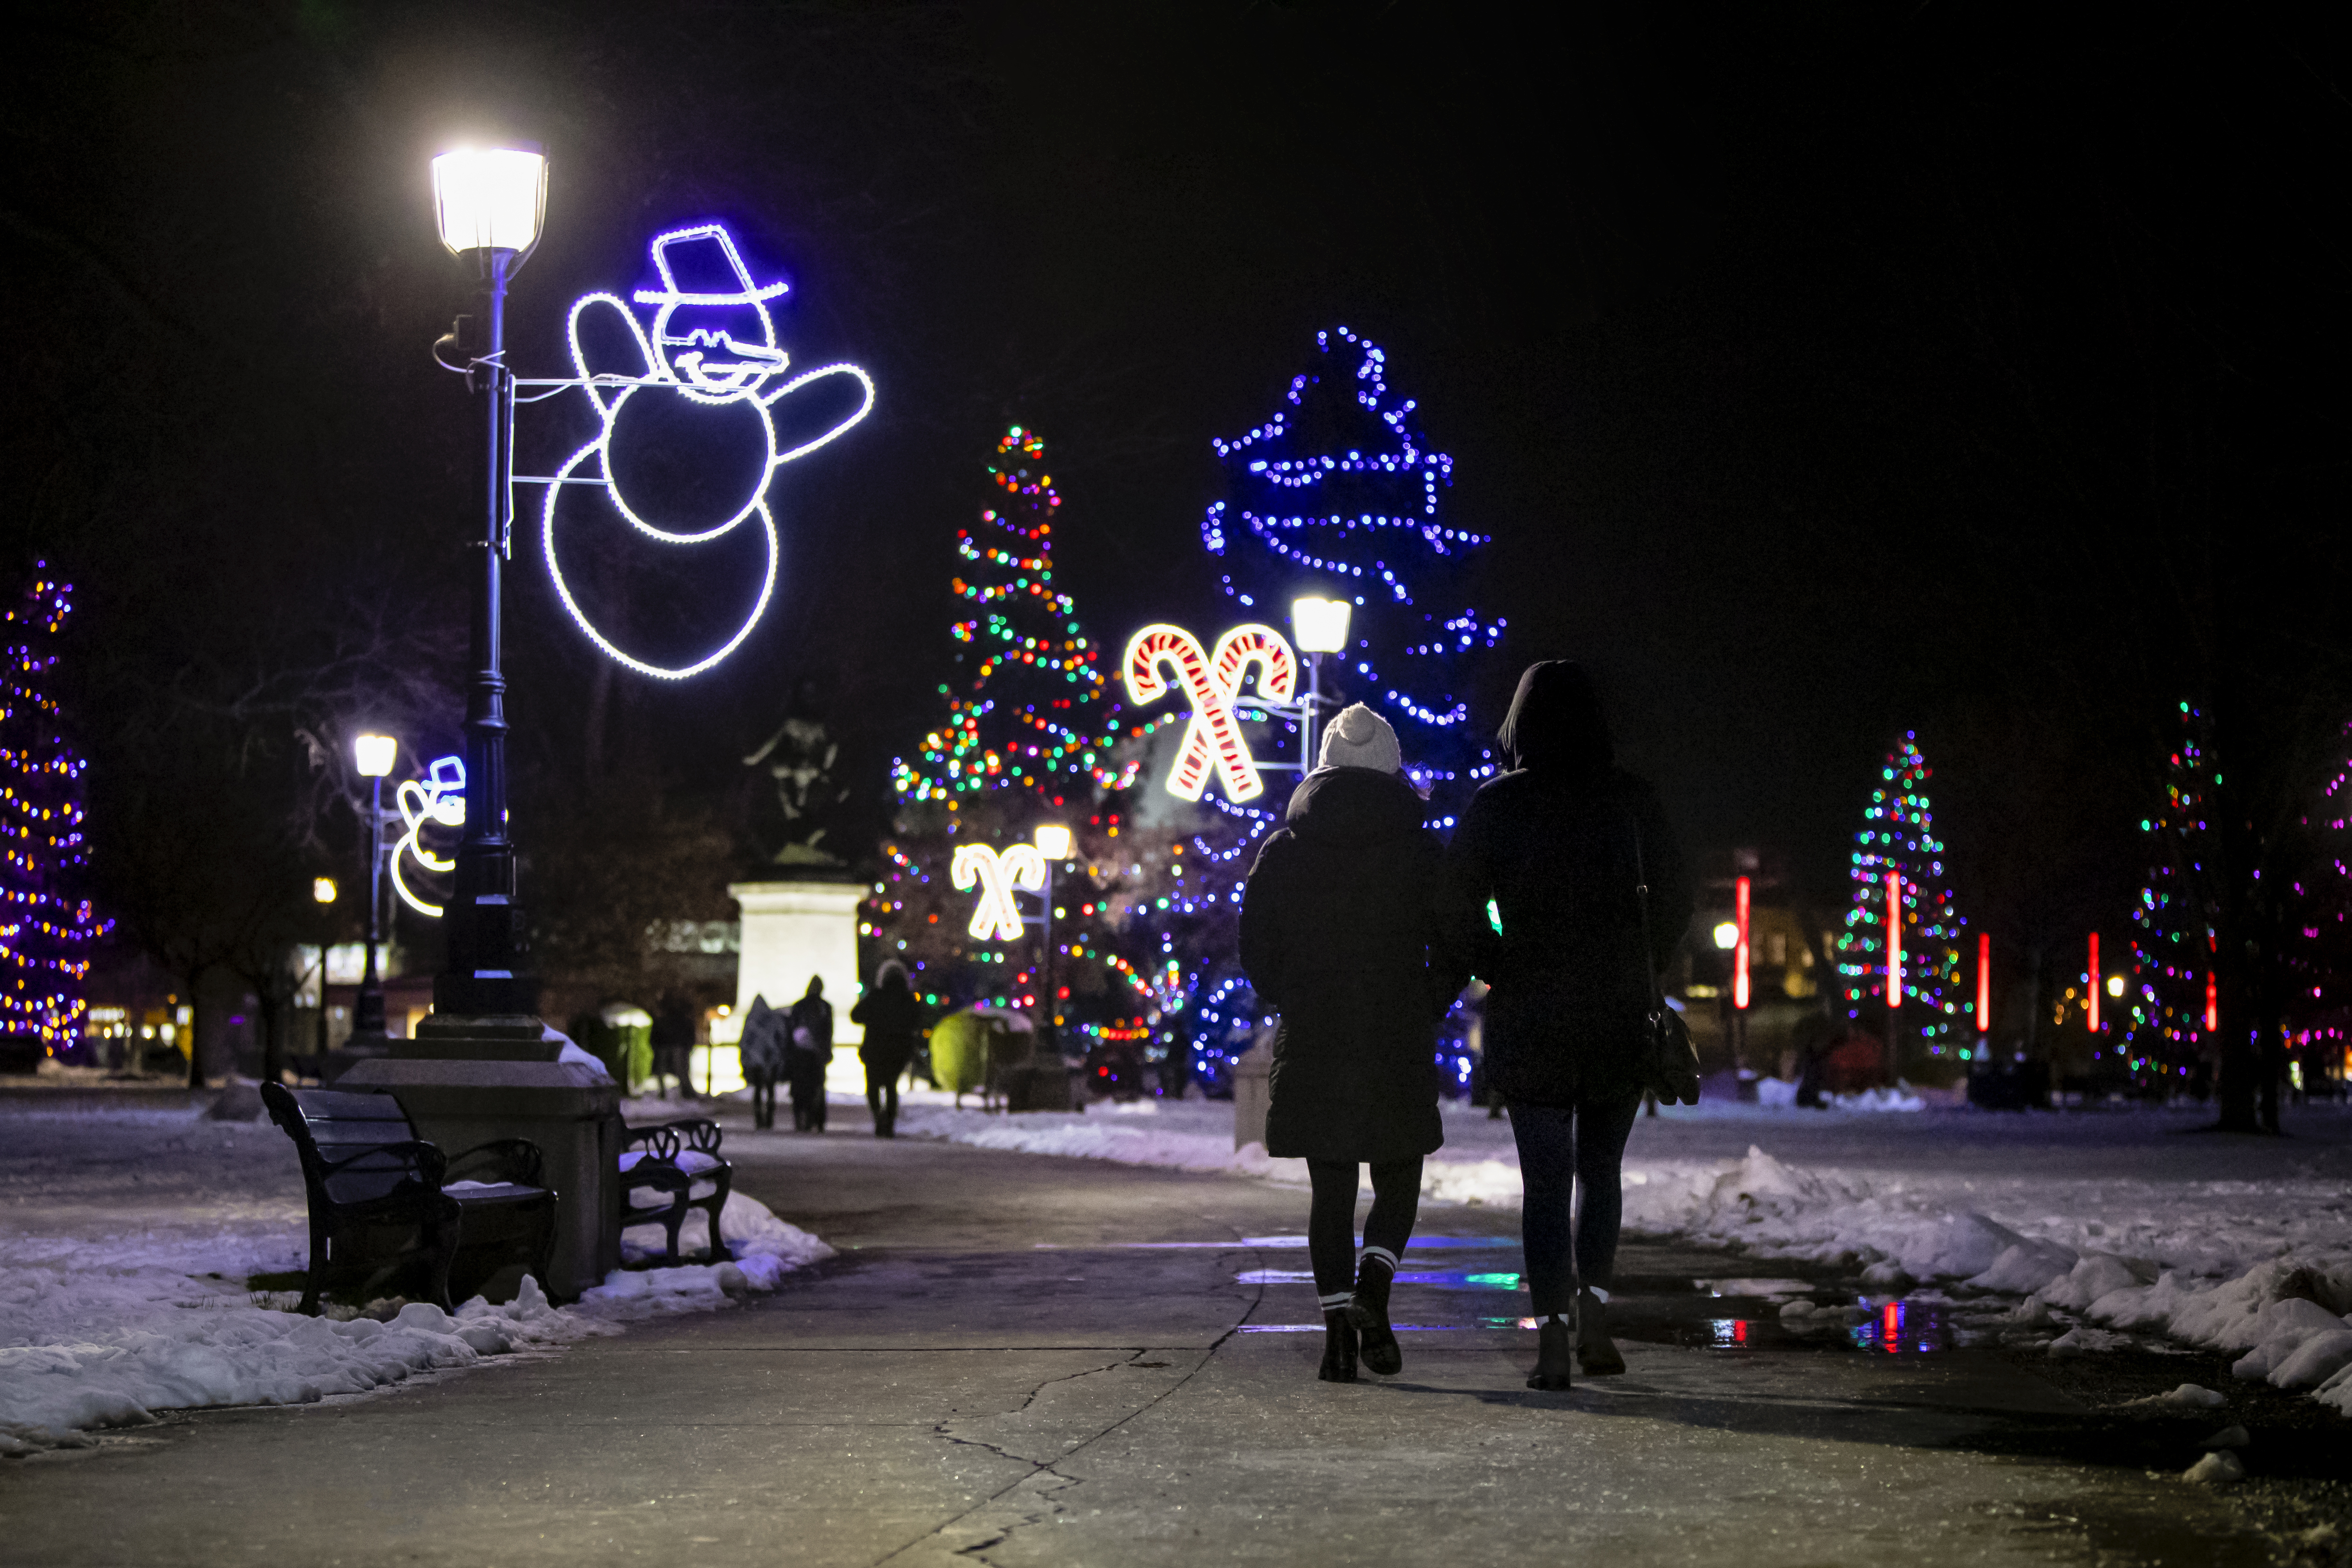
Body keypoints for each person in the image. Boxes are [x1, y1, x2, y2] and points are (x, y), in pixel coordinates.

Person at [1444, 661, 1690, 1391]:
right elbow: (1675, 894)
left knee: (1544, 1180)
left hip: (1532, 1006)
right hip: (1615, 1004)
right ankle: (1598, 1318)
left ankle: (1551, 1335)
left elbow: (1454, 904)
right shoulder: (1631, 800)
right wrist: (1646, 962)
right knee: (1601, 1170)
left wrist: (1497, 965)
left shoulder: (1497, 804)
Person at [1239, 703, 1465, 1384]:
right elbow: (1456, 939)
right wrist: (1428, 997)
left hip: (1315, 1033)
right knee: (1400, 1169)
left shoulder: (1284, 848)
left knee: (1330, 1186)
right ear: (1392, 766)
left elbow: (1254, 947)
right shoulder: (1423, 849)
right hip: (1396, 1028)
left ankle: (1338, 1334)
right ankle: (1374, 1288)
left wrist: (1293, 994)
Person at [850, 961, 921, 1137]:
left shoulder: (876, 996)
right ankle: (889, 1120)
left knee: (872, 1085)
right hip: (899, 1051)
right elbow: (918, 1021)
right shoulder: (908, 999)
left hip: (875, 1049)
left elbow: (855, 1015)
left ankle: (877, 1114)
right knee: (891, 1085)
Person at [786, 976, 834, 1132]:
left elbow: (791, 1030)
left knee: (800, 1088)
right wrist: (826, 1051)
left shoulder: (799, 1006)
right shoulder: (825, 1007)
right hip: (818, 1055)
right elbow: (828, 1032)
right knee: (817, 1088)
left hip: (800, 1055)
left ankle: (801, 1118)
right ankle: (817, 1121)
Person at [738, 994, 787, 1130]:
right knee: (771, 1089)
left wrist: (745, 1059)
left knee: (758, 1090)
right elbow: (781, 1037)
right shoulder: (773, 1019)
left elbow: (745, 1041)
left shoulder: (752, 1018)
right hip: (771, 1060)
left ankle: (759, 1117)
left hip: (756, 1062)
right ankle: (770, 1117)